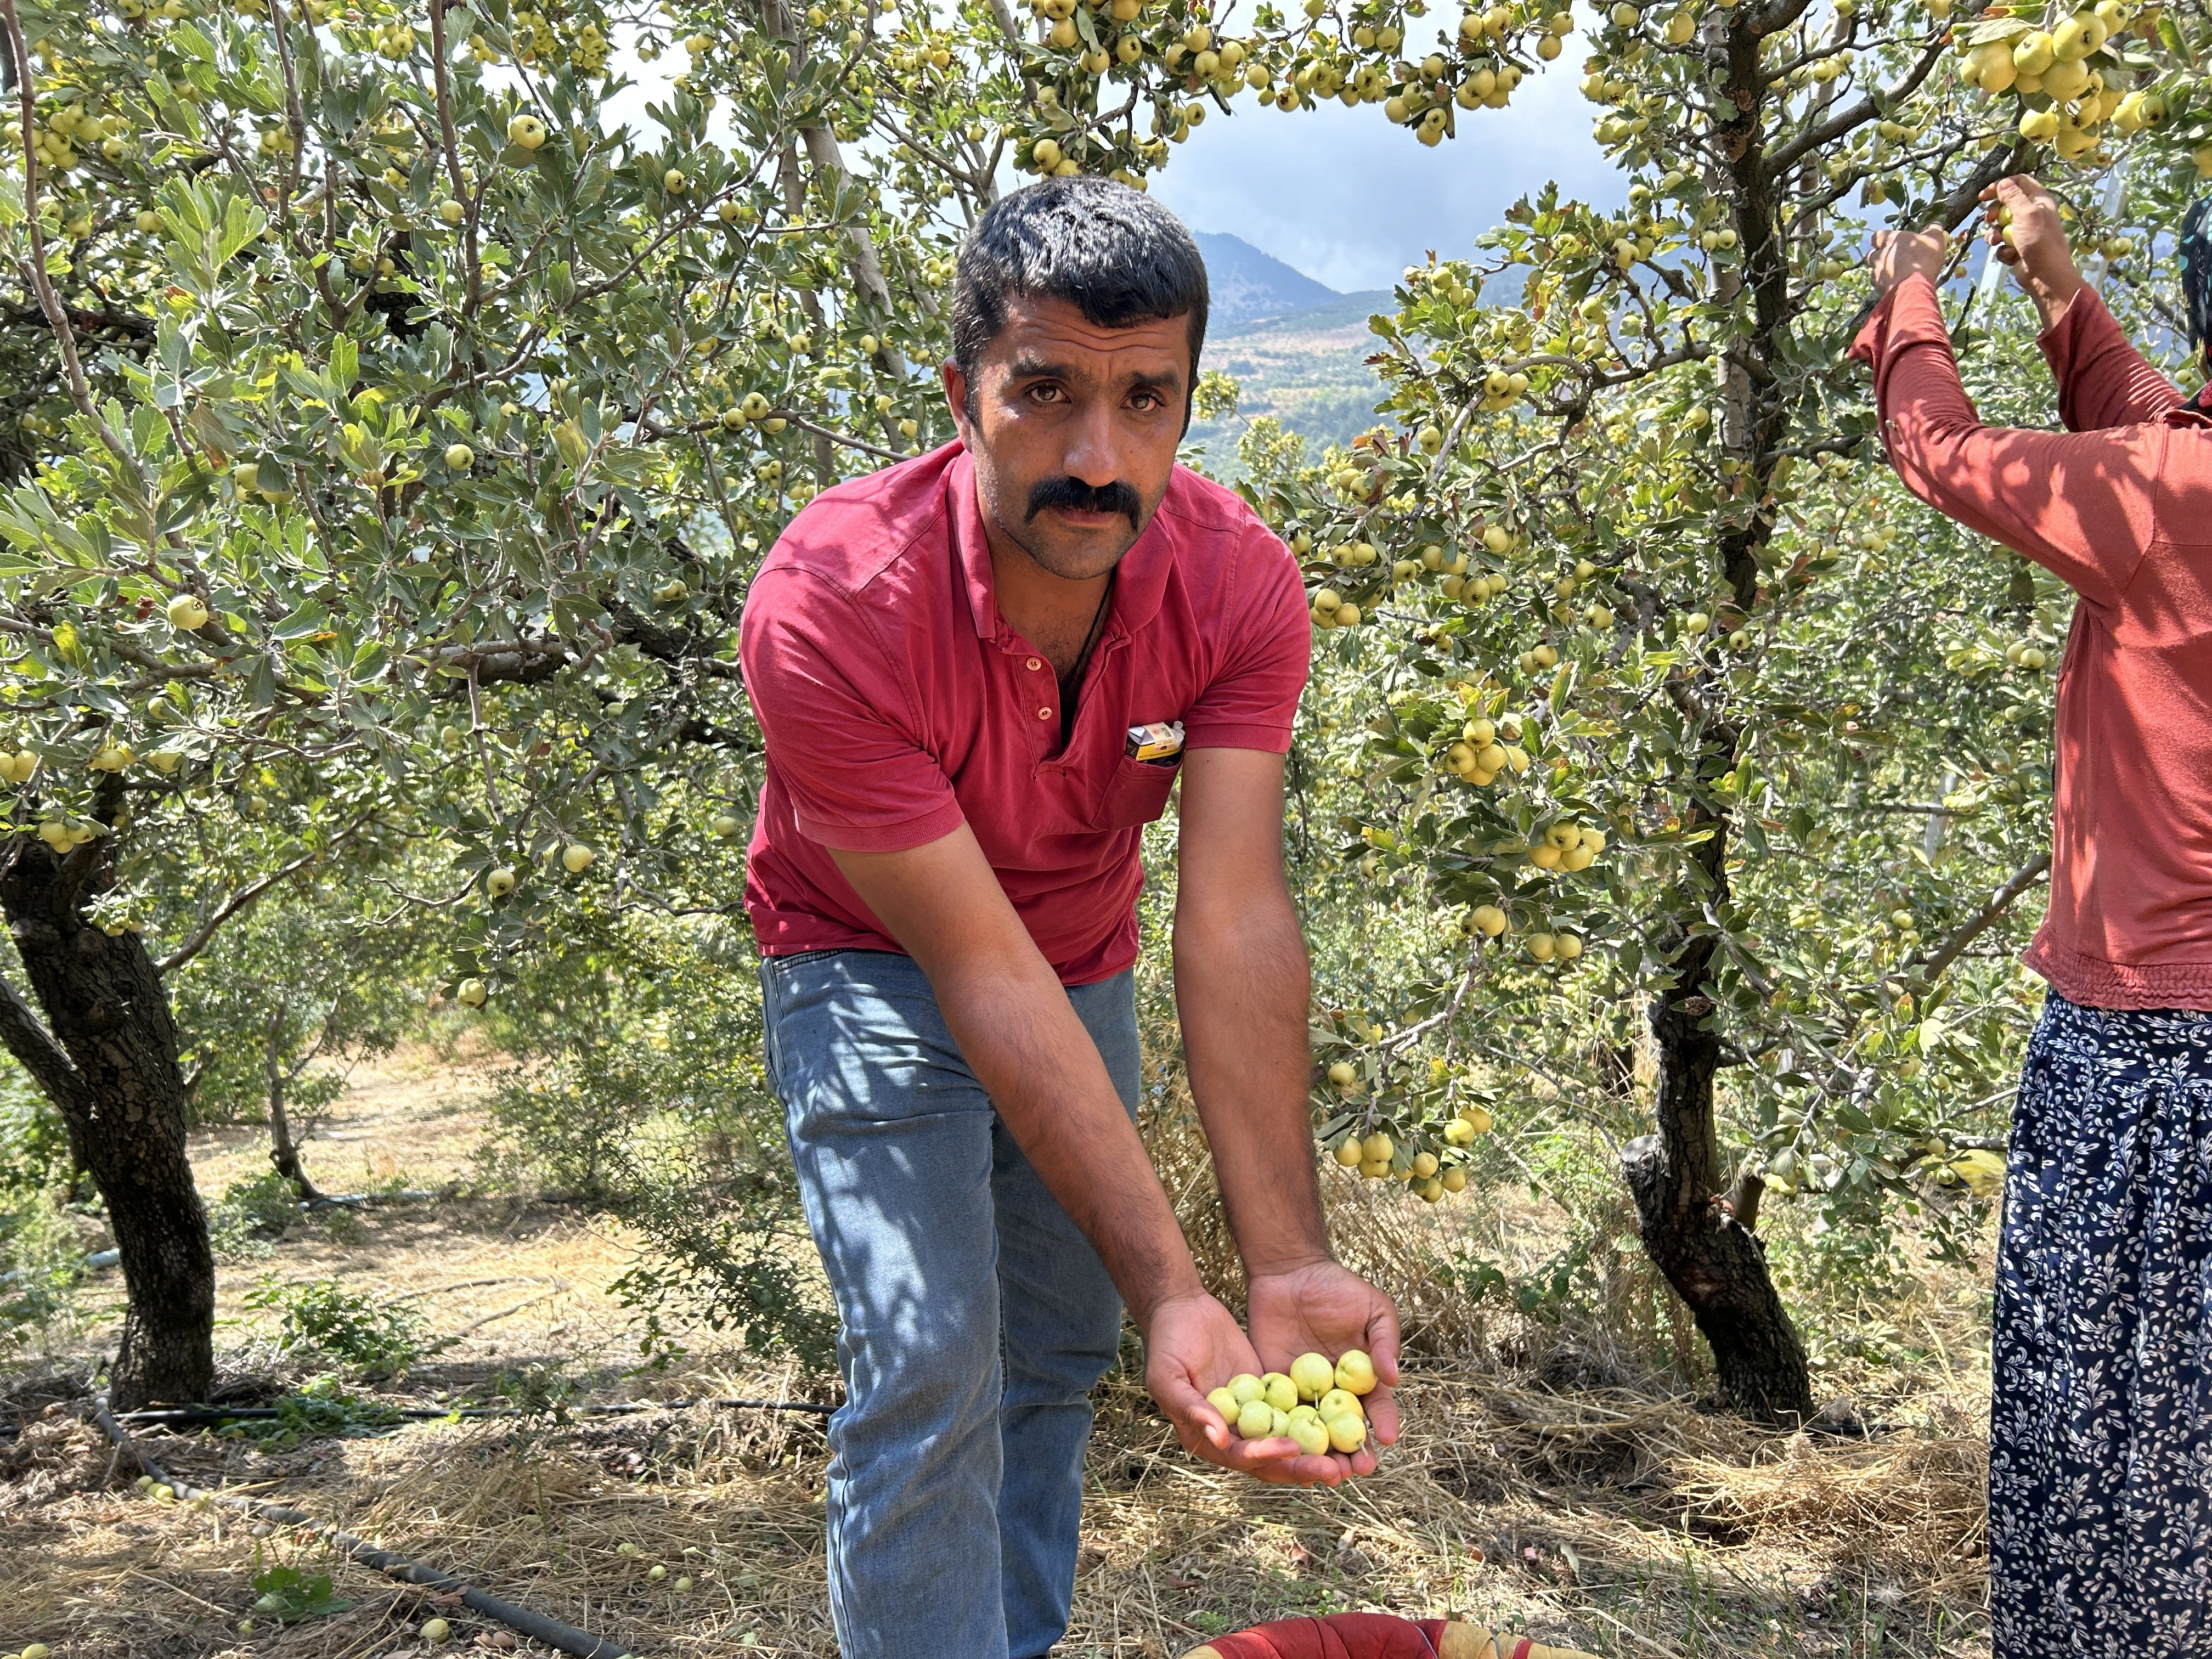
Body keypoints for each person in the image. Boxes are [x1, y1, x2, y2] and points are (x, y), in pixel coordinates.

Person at [738, 175, 1403, 1659]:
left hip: (1078, 954)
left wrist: (1282, 1260)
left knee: (1054, 1356)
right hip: (866, 954)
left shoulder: (1237, 587)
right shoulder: (833, 597)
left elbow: (1232, 916)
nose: (1096, 458)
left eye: (1145, 400)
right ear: (964, 390)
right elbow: (972, 964)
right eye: (1044, 393)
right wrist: (1176, 1277)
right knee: (928, 1362)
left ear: (1186, 403)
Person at [1857, 177, 2212, 1656]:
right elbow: (2160, 444)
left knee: (2110, 1447)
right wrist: (2061, 296)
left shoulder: (2177, 505)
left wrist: (1908, 299)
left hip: (2155, 1054)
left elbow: (1941, 451)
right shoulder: (2181, 486)